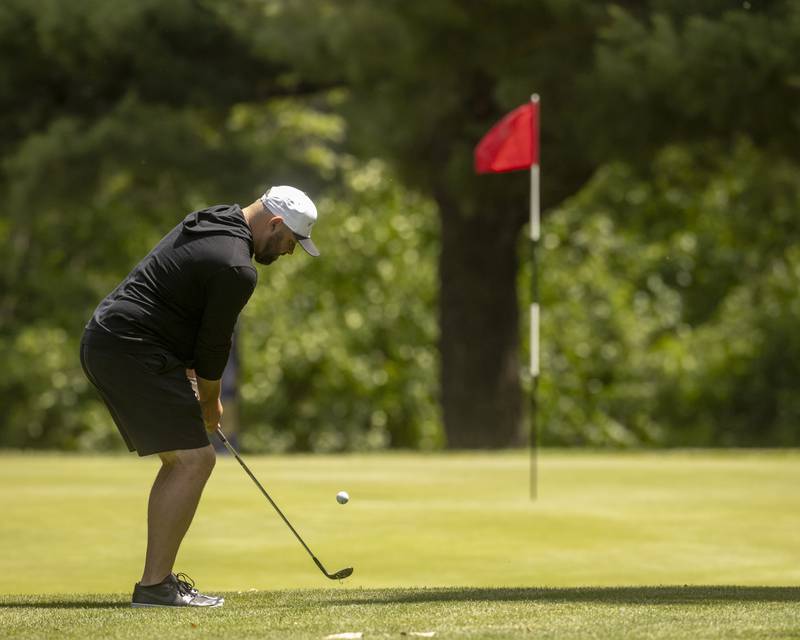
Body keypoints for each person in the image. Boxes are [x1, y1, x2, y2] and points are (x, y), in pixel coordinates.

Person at [79, 185, 319, 608]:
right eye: (290, 241)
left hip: (114, 340)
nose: (289, 252)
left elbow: (183, 301)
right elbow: (214, 346)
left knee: (182, 460)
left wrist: (185, 372)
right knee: (196, 459)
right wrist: (211, 402)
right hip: (130, 346)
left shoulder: (217, 218)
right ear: (276, 224)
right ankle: (155, 588)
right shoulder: (237, 267)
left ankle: (159, 582)